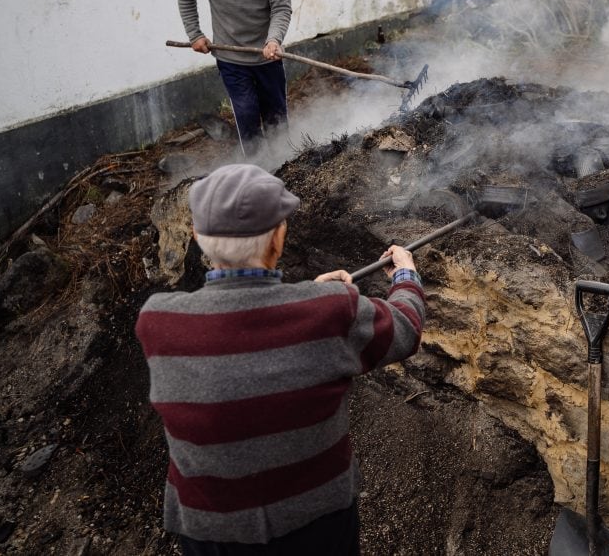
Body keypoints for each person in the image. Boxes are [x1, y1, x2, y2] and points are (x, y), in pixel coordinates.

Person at [135, 164, 426, 554]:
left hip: (210, 533)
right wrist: (404, 276)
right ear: (278, 238)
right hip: (317, 529)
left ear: (197, 238)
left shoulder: (158, 320)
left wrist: (307, 296)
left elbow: (242, 331)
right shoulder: (329, 311)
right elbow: (404, 330)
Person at [178, 0, 294, 156]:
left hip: (268, 57)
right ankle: (258, 175)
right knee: (247, 116)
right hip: (232, 61)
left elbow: (281, 8)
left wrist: (273, 40)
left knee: (276, 119)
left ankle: (288, 170)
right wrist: (194, 34)